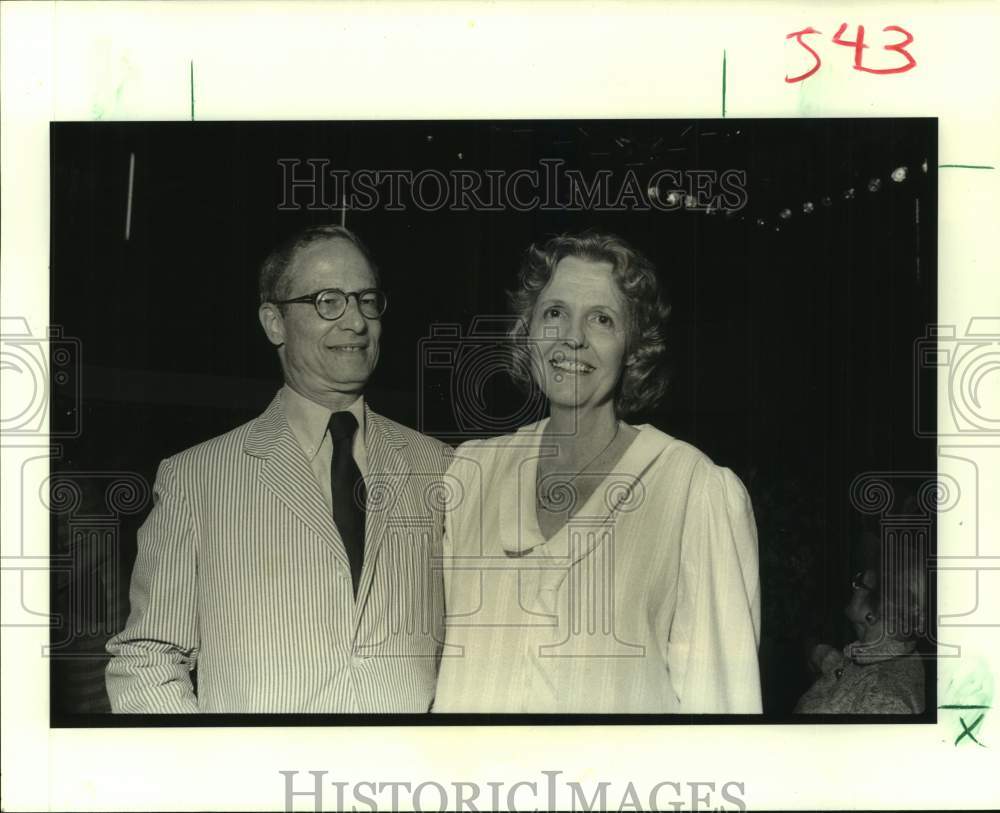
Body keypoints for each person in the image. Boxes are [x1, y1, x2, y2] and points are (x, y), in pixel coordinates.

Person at [106, 225, 449, 713]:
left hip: (401, 783)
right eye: (328, 301)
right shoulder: (198, 478)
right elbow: (148, 656)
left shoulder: (441, 468)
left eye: (367, 300)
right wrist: (210, 775)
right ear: (274, 323)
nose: (356, 321)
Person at [432, 232, 762, 713]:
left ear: (633, 346)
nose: (573, 336)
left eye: (602, 319)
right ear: (528, 331)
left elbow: (723, 707)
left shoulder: (693, 489)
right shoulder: (471, 473)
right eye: (554, 313)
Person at [794, 551, 927, 714]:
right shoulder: (879, 656)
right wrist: (831, 662)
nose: (852, 586)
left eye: (859, 582)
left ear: (875, 612)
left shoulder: (884, 700)